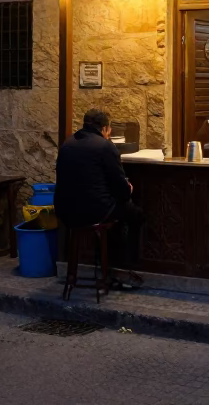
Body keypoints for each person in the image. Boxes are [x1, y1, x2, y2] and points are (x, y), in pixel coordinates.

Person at [54, 109, 144, 288]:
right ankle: (125, 268)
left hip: (65, 212)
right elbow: (121, 189)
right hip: (94, 212)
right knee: (136, 215)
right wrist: (128, 188)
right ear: (105, 129)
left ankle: (106, 266)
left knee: (115, 216)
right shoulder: (105, 146)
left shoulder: (67, 143)